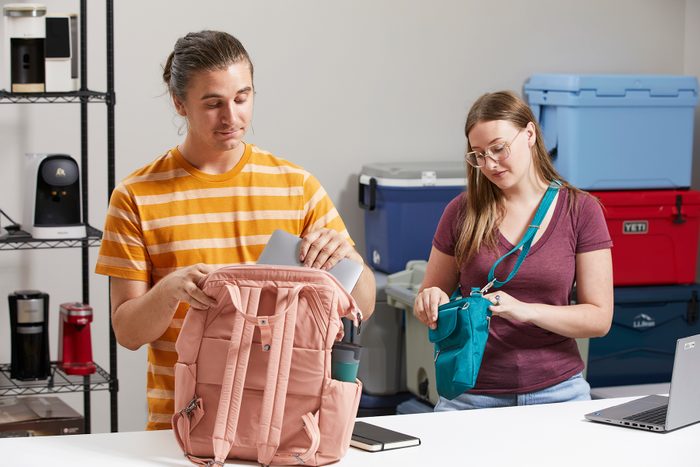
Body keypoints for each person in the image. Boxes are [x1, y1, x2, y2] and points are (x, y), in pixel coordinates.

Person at [95, 30, 376, 430]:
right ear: (179, 103)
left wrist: (349, 259)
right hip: (186, 430)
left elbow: (362, 307)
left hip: (288, 427)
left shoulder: (297, 187)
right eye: (213, 104)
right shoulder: (135, 197)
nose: (232, 118)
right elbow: (127, 331)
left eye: (242, 98)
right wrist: (171, 288)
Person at [413, 90, 613, 410]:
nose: (489, 163)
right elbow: (431, 293)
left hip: (558, 391)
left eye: (498, 149)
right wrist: (430, 300)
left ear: (530, 134)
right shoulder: (460, 212)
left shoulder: (581, 210)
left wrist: (524, 309)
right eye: (478, 154)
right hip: (471, 394)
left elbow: (599, 318)